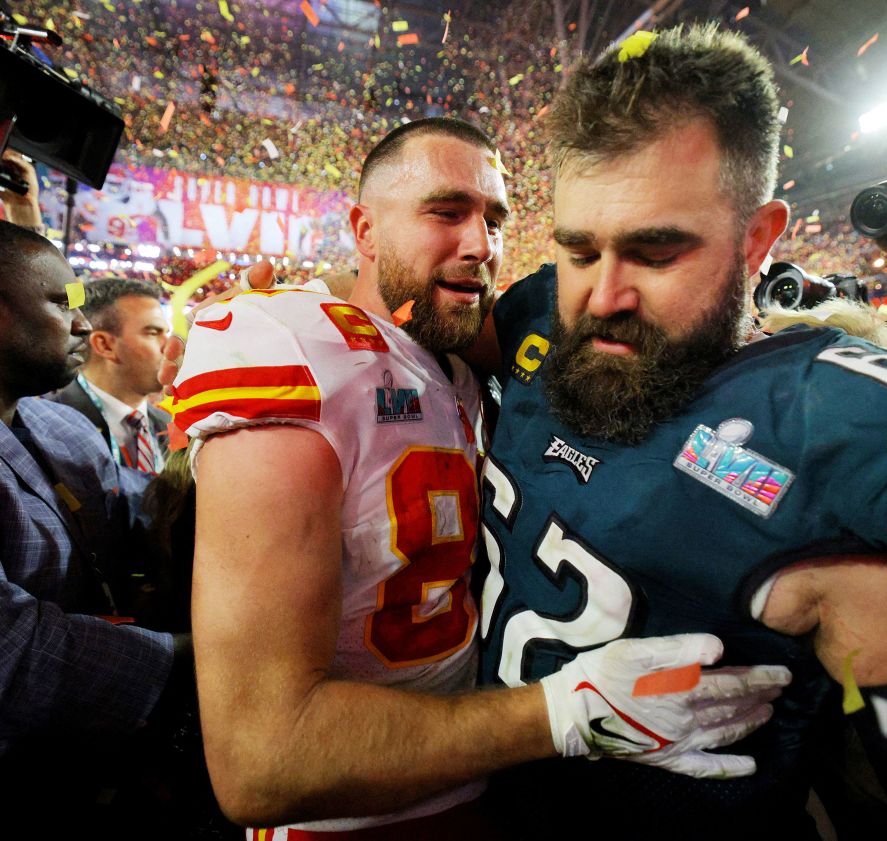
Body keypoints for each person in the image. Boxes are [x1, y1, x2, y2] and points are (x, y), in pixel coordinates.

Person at [475, 24, 887, 839]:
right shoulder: (537, 316)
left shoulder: (825, 435)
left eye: (655, 252)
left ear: (758, 240)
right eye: (580, 248)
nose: (601, 294)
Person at [172, 117, 789, 837]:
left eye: (495, 219)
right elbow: (261, 763)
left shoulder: (459, 360)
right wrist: (564, 713)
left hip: (485, 787)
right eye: (446, 212)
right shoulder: (290, 352)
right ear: (364, 230)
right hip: (348, 818)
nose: (480, 245)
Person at [0, 220, 188, 834]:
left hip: (83, 773)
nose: (82, 324)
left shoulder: (61, 429)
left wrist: (219, 439)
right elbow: (13, 649)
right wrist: (193, 662)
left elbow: (143, 518)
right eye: (60, 303)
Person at [49, 278, 171, 473]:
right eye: (153, 333)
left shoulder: (170, 426)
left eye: (167, 333)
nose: (169, 346)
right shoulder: (48, 425)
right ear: (105, 345)